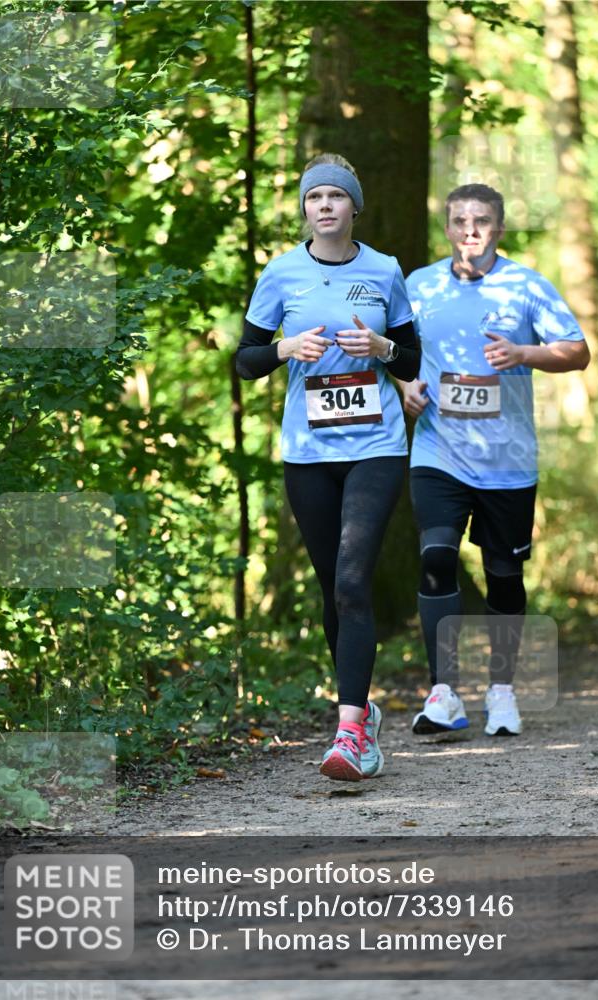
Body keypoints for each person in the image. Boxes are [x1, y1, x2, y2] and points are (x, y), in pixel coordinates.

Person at [236, 153, 421, 781]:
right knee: (331, 593)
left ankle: (348, 736)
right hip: (308, 453)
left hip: (376, 447)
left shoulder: (385, 270)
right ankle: (362, 710)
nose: (324, 206)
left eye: (335, 197)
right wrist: (285, 347)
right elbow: (245, 359)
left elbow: (411, 357)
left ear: (353, 207)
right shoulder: (281, 273)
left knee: (351, 580)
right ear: (304, 210)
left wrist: (382, 347)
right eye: (314, 197)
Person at [401, 183, 590, 738]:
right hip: (438, 449)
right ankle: (444, 693)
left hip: (507, 459)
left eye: (481, 220)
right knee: (436, 556)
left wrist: (524, 353)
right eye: (460, 220)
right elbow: (398, 351)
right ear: (448, 228)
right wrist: (406, 386)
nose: (470, 230)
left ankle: (501, 691)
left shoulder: (527, 286)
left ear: (499, 229)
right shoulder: (419, 286)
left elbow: (577, 351)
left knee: (504, 576)